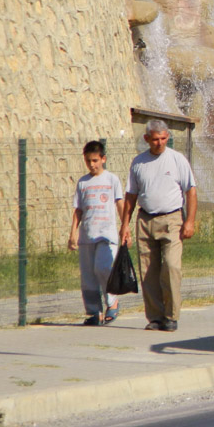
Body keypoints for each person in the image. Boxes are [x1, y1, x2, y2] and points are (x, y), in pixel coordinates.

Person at [120, 120, 197, 332]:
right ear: (146, 139)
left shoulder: (177, 160)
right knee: (148, 271)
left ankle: (171, 316)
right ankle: (155, 317)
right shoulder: (138, 163)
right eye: (155, 139)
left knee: (171, 267)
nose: (160, 143)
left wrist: (189, 221)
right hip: (145, 220)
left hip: (172, 219)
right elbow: (131, 196)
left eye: (164, 138)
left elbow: (191, 191)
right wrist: (125, 225)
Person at [69, 140, 125, 326]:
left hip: (106, 235)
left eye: (95, 160)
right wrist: (73, 234)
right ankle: (94, 312)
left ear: (103, 159)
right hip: (87, 236)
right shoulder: (83, 182)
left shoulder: (112, 179)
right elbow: (78, 210)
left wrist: (126, 228)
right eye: (88, 161)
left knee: (103, 267)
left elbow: (119, 204)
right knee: (88, 277)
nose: (92, 164)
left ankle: (112, 302)